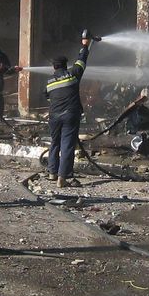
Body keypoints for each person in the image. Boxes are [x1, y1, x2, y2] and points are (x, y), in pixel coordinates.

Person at [45, 35, 92, 188]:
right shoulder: (73, 74)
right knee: (67, 145)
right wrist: (85, 45)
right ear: (66, 65)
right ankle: (63, 177)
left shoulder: (49, 82)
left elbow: (47, 96)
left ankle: (52, 172)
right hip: (70, 115)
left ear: (54, 67)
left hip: (54, 117)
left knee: (55, 143)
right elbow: (81, 60)